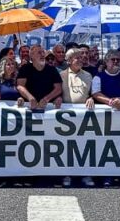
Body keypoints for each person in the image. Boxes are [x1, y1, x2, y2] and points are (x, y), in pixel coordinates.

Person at [59, 49, 96, 188]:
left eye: (81, 57)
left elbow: (93, 93)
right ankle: (67, 174)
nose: (80, 60)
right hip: (66, 117)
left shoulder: (88, 75)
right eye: (76, 58)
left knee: (84, 147)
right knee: (67, 147)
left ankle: (86, 174)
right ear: (68, 61)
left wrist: (91, 97)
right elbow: (58, 92)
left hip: (84, 117)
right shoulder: (62, 75)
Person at [17, 44, 63, 111]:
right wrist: (30, 98)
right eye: (39, 52)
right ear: (32, 56)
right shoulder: (25, 68)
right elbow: (20, 86)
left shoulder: (52, 69)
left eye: (43, 52)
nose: (42, 55)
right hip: (29, 106)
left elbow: (58, 88)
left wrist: (46, 99)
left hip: (48, 106)